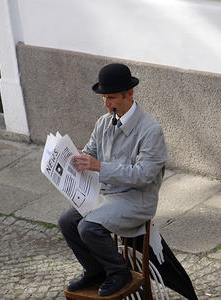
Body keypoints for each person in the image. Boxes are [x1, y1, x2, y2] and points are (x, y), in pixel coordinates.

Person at [58, 63, 167, 296]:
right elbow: (91, 151)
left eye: (111, 97)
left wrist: (100, 166)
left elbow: (144, 175)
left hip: (136, 199)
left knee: (89, 227)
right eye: (103, 97)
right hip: (106, 194)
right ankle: (95, 270)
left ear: (129, 94)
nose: (106, 103)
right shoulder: (103, 122)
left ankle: (119, 272)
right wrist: (76, 158)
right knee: (66, 220)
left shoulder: (151, 130)